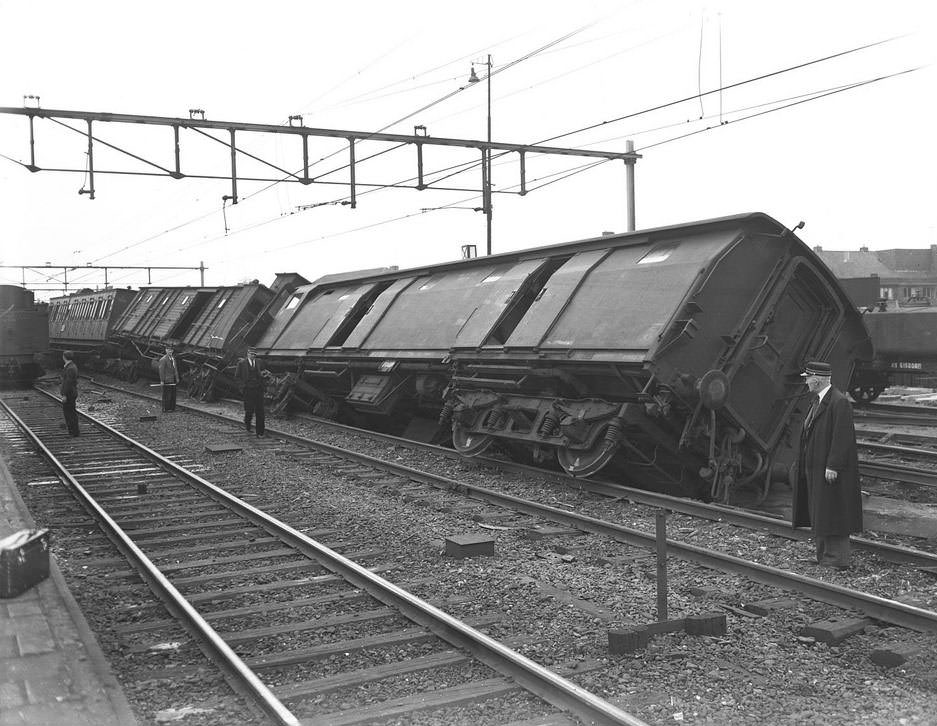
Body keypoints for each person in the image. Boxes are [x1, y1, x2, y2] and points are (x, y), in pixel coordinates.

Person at [792, 361, 863, 569]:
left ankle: (837, 559)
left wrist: (833, 465)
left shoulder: (838, 402)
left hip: (829, 469)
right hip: (815, 467)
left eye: (808, 378)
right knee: (821, 511)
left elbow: (843, 437)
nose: (805, 381)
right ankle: (824, 556)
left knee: (834, 512)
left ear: (818, 379)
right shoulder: (818, 401)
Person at [236, 347, 266, 437]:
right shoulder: (241, 363)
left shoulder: (259, 362)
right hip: (248, 390)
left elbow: (263, 372)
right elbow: (237, 377)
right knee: (249, 410)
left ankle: (260, 432)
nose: (253, 356)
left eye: (254, 354)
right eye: (251, 354)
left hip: (258, 389)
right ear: (247, 354)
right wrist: (242, 388)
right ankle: (248, 425)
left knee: (260, 411)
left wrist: (263, 381)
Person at [60, 350, 79, 436]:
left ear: (64, 357)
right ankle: (74, 431)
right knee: (71, 412)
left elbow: (68, 382)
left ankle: (73, 432)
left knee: (69, 413)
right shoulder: (71, 366)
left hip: (69, 394)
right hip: (71, 393)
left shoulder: (70, 368)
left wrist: (64, 394)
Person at [157, 344, 179, 412]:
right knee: (167, 394)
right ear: (166, 350)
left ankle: (172, 408)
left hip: (173, 379)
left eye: (171, 350)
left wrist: (177, 378)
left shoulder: (173, 358)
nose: (170, 351)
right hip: (167, 380)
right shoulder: (163, 360)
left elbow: (175, 369)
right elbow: (161, 371)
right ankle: (166, 408)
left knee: (173, 394)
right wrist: (162, 380)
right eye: (169, 350)